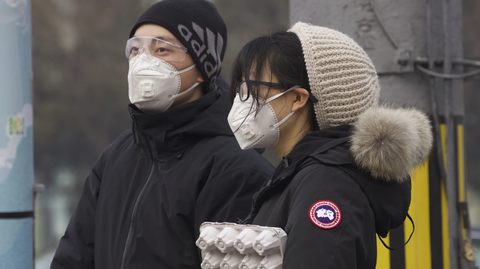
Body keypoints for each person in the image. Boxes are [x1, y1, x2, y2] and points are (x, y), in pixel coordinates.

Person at [51, 1, 274, 268]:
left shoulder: (236, 170)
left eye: (162, 49)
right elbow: (73, 257)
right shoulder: (117, 155)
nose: (143, 61)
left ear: (204, 67)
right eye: (135, 49)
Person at [226, 22, 432, 268]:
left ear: (297, 99)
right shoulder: (300, 175)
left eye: (252, 90)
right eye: (240, 90)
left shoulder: (328, 184)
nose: (241, 102)